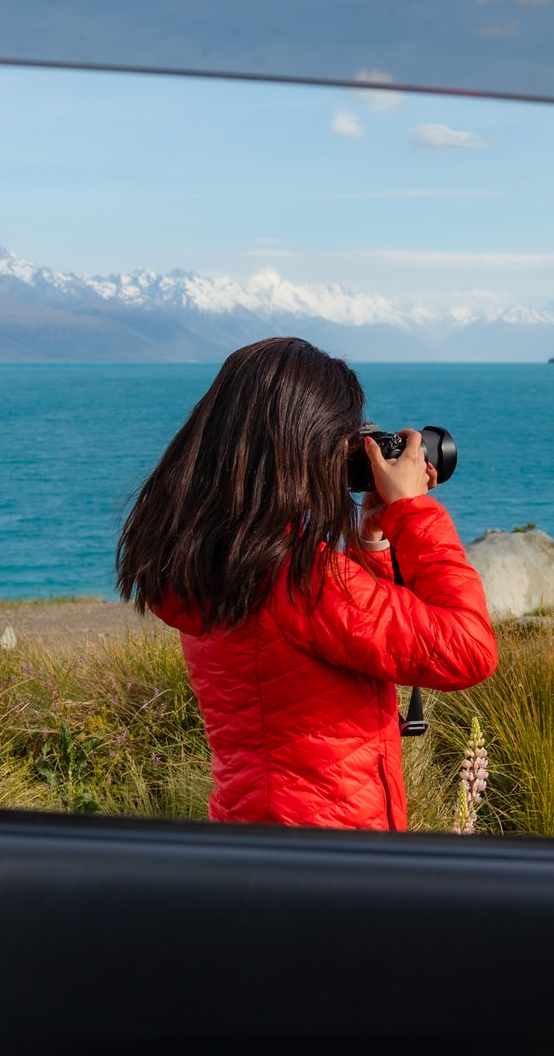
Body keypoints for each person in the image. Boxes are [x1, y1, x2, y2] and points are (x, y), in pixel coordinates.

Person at [117, 336, 496, 829]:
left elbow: (363, 645)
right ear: (301, 445)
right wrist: (413, 511)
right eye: (339, 438)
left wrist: (373, 542)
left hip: (260, 831)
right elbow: (468, 650)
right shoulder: (302, 582)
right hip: (330, 858)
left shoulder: (219, 560)